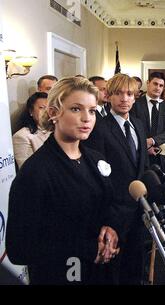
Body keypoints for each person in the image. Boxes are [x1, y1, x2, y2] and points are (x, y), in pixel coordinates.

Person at [6, 77, 120, 284]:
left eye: (92, 111)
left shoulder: (95, 159)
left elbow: (106, 204)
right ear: (53, 113)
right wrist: (87, 248)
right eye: (76, 109)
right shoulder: (36, 172)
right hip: (60, 276)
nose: (87, 118)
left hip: (101, 274)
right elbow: (19, 249)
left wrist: (111, 227)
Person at [84, 74, 149, 284]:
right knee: (114, 274)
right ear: (109, 96)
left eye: (129, 94)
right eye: (119, 93)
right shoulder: (99, 127)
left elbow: (143, 166)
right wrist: (109, 217)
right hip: (114, 216)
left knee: (136, 268)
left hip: (139, 211)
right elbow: (97, 178)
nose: (124, 98)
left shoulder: (138, 125)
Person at [131, 72, 165, 159]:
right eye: (155, 84)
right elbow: (133, 129)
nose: (158, 88)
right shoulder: (135, 104)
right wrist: (146, 145)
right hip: (141, 152)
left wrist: (152, 141)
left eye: (161, 85)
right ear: (148, 83)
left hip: (163, 154)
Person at [13, 92, 51, 169]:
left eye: (49, 108)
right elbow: (27, 171)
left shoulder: (58, 130)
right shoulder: (21, 136)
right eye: (42, 108)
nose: (46, 111)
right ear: (31, 111)